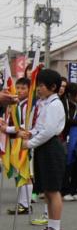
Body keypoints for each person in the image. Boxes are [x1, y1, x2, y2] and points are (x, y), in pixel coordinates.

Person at [18, 70, 67, 230]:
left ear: (53, 87)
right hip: (43, 147)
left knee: (53, 190)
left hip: (51, 147)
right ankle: (51, 226)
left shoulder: (55, 104)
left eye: (41, 86)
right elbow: (40, 126)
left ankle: (56, 228)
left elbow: (48, 131)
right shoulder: (44, 103)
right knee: (47, 190)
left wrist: (30, 143)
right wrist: (29, 133)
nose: (38, 89)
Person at [4, 77, 34, 215]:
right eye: (18, 88)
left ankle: (25, 204)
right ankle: (21, 202)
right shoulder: (16, 104)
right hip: (16, 141)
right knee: (18, 171)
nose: (20, 91)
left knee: (25, 172)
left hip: (25, 141)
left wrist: (8, 129)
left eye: (23, 88)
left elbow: (26, 125)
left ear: (30, 90)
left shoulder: (28, 105)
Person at [61, 82, 77, 201]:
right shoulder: (63, 104)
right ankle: (65, 190)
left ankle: (74, 189)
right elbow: (64, 120)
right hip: (65, 137)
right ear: (72, 93)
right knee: (67, 164)